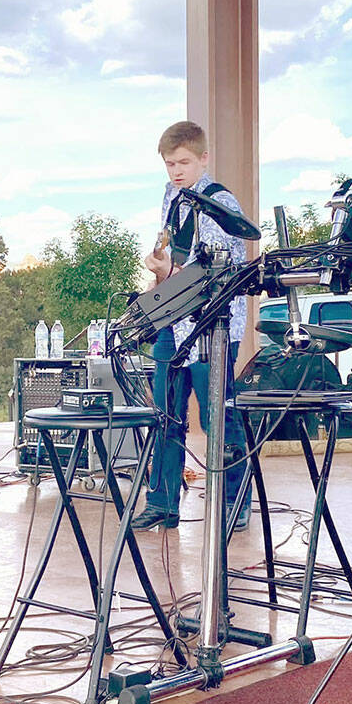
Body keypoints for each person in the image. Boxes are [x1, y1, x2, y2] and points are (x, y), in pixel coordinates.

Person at [131, 121, 251, 533]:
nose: (176, 171)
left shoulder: (221, 202)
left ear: (204, 158)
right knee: (165, 413)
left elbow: (221, 268)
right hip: (173, 321)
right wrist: (160, 275)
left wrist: (174, 271)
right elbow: (173, 254)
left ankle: (235, 502)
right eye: (168, 164)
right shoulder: (171, 197)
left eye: (183, 162)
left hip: (211, 325)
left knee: (220, 416)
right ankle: (162, 502)